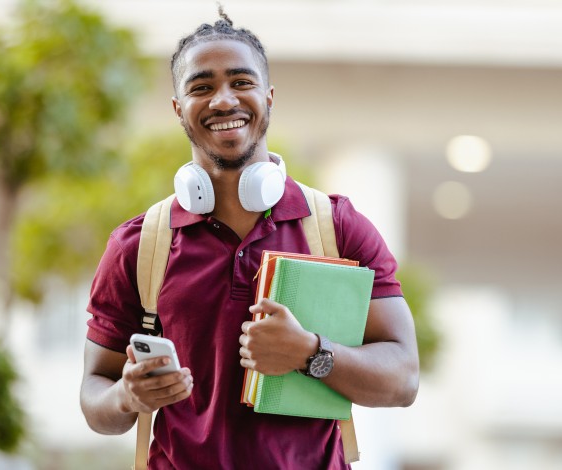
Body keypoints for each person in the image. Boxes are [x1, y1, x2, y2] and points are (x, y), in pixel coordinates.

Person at [79, 8, 420, 469]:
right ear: (179, 108)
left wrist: (310, 353)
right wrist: (126, 395)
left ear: (269, 97)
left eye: (241, 81)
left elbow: (403, 380)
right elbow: (94, 397)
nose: (223, 101)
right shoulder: (141, 246)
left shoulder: (336, 227)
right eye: (201, 87)